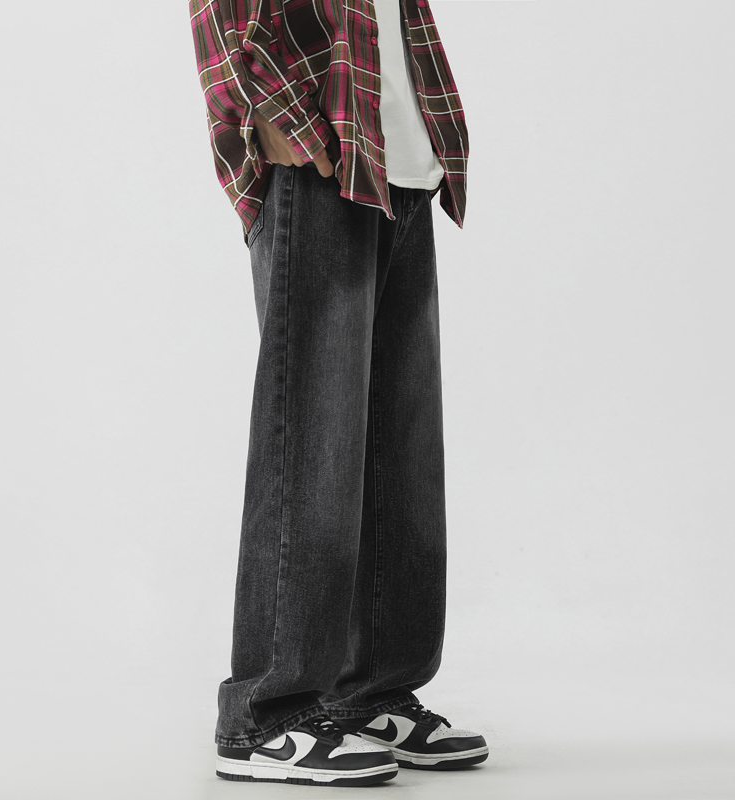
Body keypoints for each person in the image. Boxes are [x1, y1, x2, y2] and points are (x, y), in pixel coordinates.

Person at [189, 0, 488, 786]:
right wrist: (272, 112)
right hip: (316, 153)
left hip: (397, 162)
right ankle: (266, 714)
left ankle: (371, 692)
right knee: (311, 441)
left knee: (401, 451)